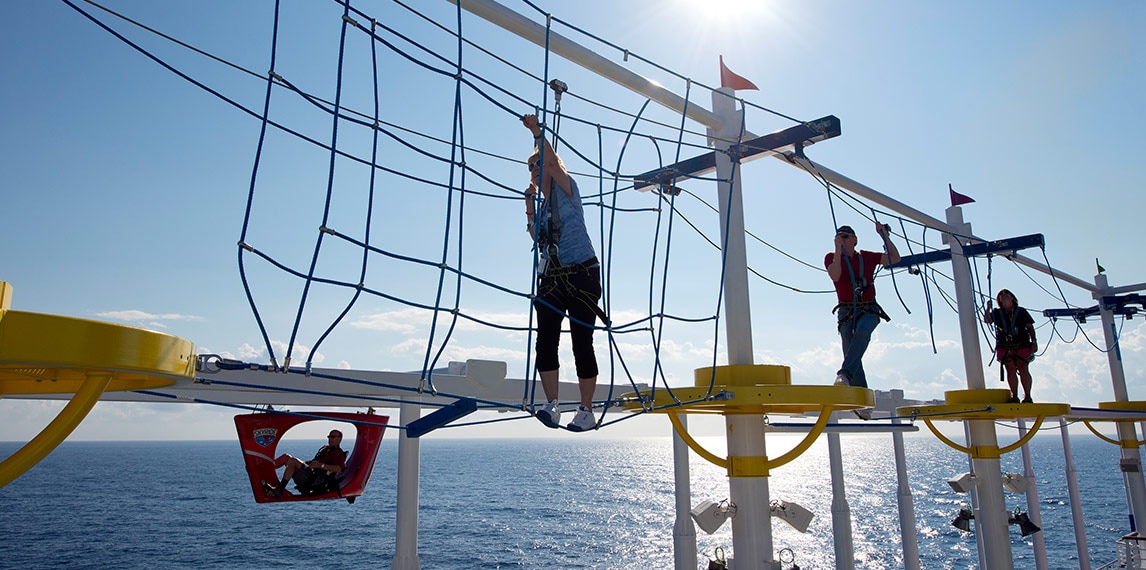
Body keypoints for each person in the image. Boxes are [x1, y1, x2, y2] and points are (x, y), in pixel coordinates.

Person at [521, 113, 602, 433]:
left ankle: (586, 410)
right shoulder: (541, 207)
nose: (536, 172)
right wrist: (528, 208)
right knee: (546, 341)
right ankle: (552, 405)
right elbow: (537, 239)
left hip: (582, 272)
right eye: (531, 169)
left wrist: (537, 133)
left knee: (582, 341)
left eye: (538, 166)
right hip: (554, 276)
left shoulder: (569, 190)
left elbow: (553, 165)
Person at [825, 222, 900, 419]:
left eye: (847, 236)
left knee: (863, 332)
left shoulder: (866, 256)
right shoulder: (831, 258)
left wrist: (884, 237)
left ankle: (844, 376)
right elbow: (836, 275)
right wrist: (838, 251)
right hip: (846, 311)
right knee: (851, 350)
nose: (843, 239)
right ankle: (861, 401)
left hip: (868, 308)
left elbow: (895, 258)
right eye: (840, 236)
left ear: (855, 239)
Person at [983, 288, 1037, 403]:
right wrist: (988, 308)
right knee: (1010, 370)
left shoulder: (1021, 311)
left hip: (1021, 344)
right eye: (1001, 294)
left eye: (1006, 293)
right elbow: (987, 320)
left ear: (1012, 297)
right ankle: (1015, 396)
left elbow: (1030, 327)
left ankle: (1027, 396)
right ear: (999, 300)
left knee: (1023, 368)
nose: (1004, 295)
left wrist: (1034, 341)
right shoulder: (997, 313)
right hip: (1005, 345)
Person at [262, 429, 347, 498]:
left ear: (340, 439)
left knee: (293, 461)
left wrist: (321, 465)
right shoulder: (327, 450)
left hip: (316, 479)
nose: (330, 439)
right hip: (310, 473)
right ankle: (263, 470)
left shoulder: (337, 453)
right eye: (329, 436)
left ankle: (279, 490)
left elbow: (339, 468)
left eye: (333, 437)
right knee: (286, 457)